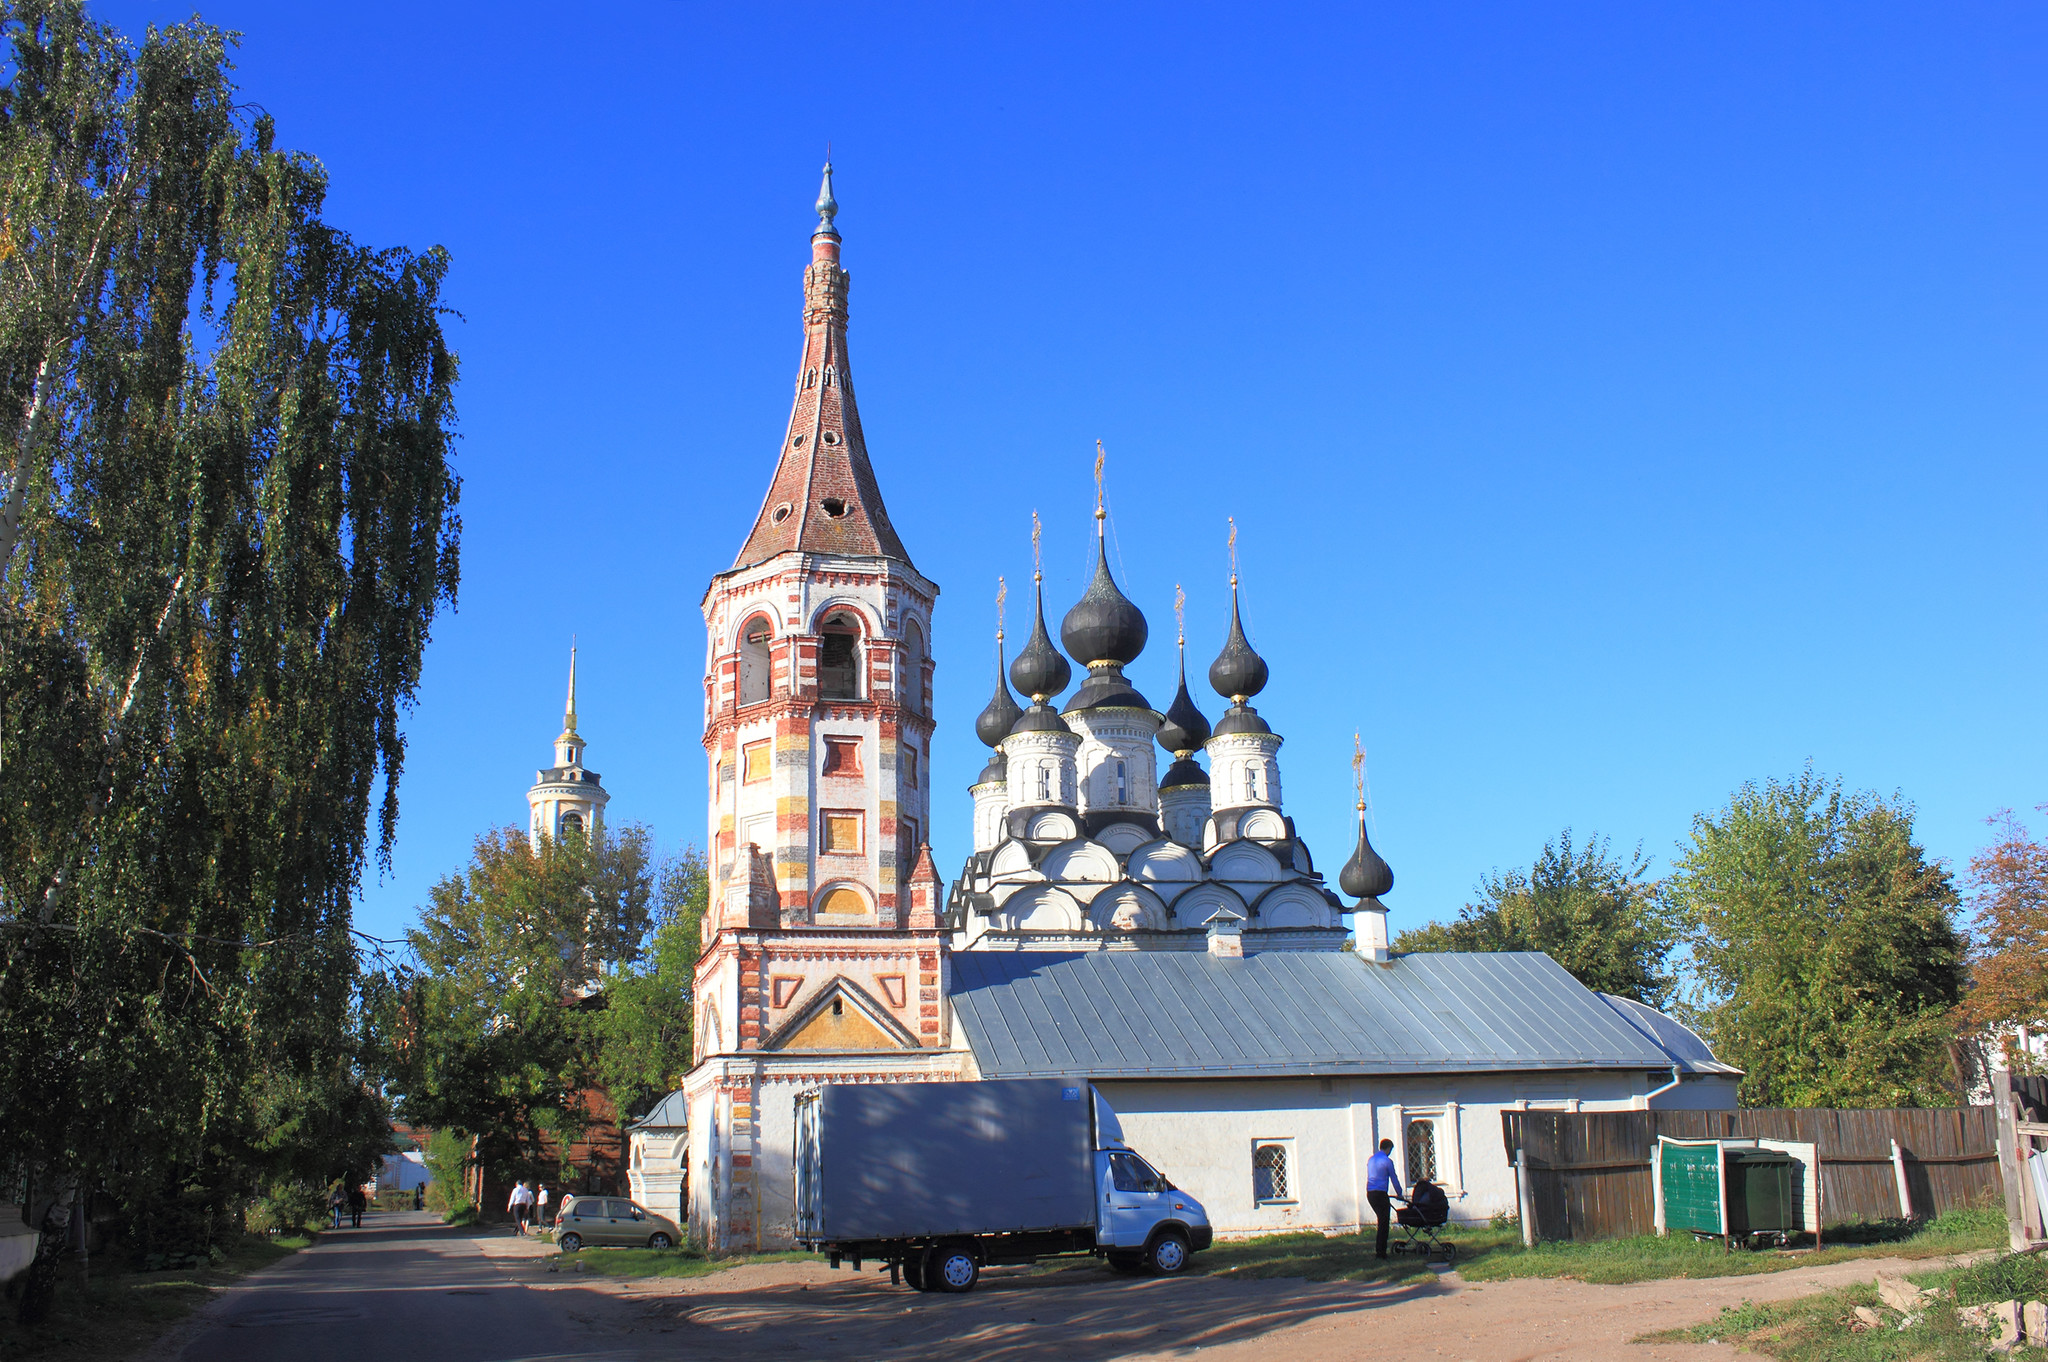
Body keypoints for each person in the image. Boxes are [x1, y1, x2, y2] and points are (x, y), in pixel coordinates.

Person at [1365, 1137, 1403, 1260]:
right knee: (1384, 1223)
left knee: (1381, 1220)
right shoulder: (1387, 1161)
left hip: (1370, 1193)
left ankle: (1380, 1251)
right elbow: (1394, 1178)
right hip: (1380, 1193)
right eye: (1390, 1149)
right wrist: (1400, 1193)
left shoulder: (1371, 1160)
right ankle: (1381, 1252)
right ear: (1388, 1148)